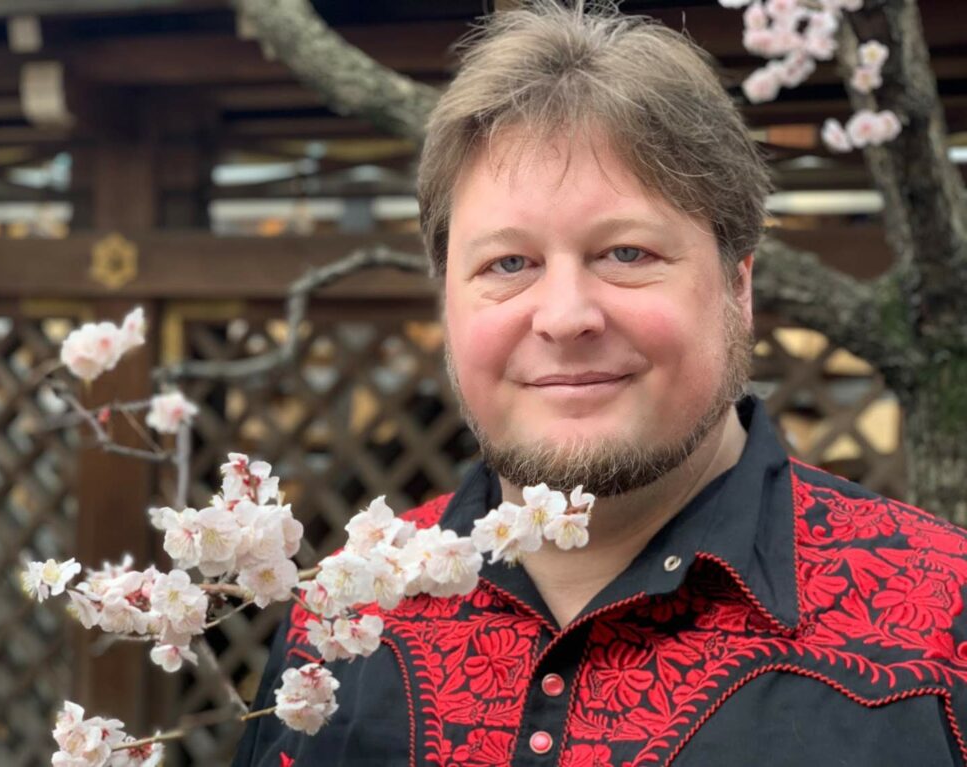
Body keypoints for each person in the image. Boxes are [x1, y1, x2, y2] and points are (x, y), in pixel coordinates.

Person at [233, 3, 967, 765]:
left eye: (626, 253)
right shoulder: (341, 618)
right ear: (447, 300)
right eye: (508, 264)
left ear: (737, 289)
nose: (565, 316)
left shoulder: (945, 625)